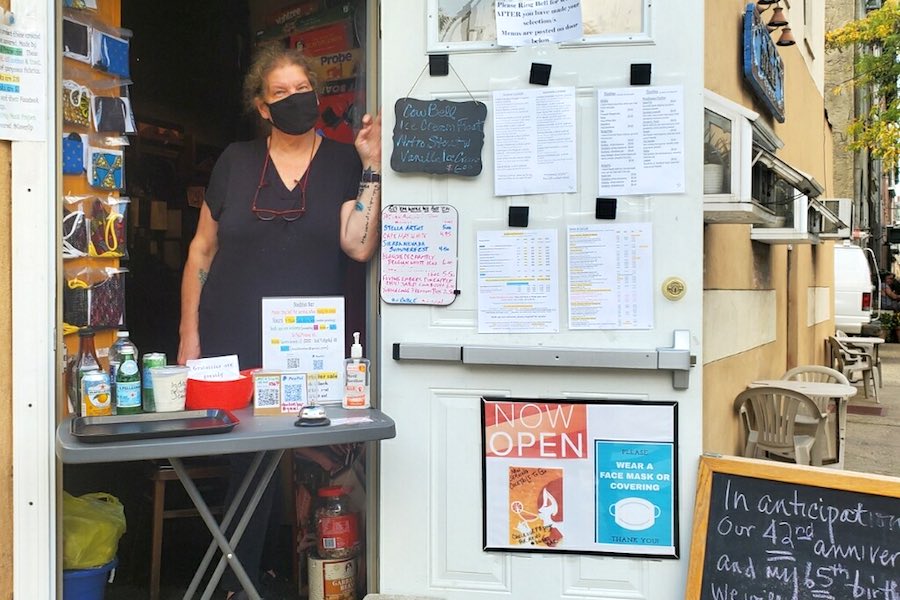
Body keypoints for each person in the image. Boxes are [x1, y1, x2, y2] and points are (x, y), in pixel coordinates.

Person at [177, 44, 381, 599]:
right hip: (233, 338)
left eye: (302, 88)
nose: (297, 99)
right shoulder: (235, 162)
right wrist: (188, 336)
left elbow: (358, 247)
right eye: (281, 93)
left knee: (319, 462)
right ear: (262, 108)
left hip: (309, 347)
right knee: (246, 464)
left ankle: (315, 579)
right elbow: (201, 251)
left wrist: (370, 168)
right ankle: (237, 584)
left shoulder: (342, 163)